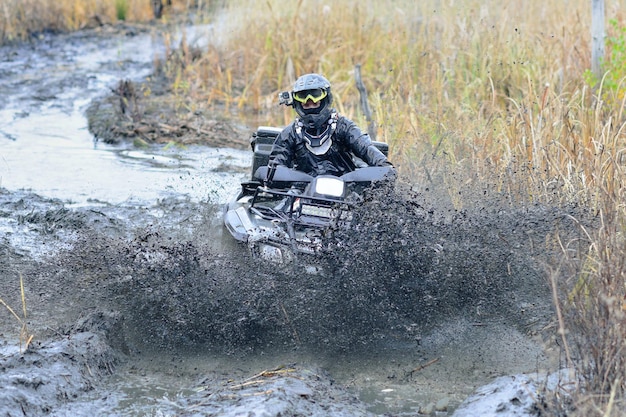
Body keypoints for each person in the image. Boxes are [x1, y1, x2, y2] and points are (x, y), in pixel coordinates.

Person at [267, 73, 392, 180]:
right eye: (303, 97)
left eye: (315, 96)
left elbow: (366, 148)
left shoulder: (344, 127)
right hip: (301, 190)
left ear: (325, 97)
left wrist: (384, 167)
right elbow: (275, 168)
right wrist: (278, 176)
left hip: (346, 188)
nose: (309, 101)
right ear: (296, 101)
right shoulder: (289, 134)